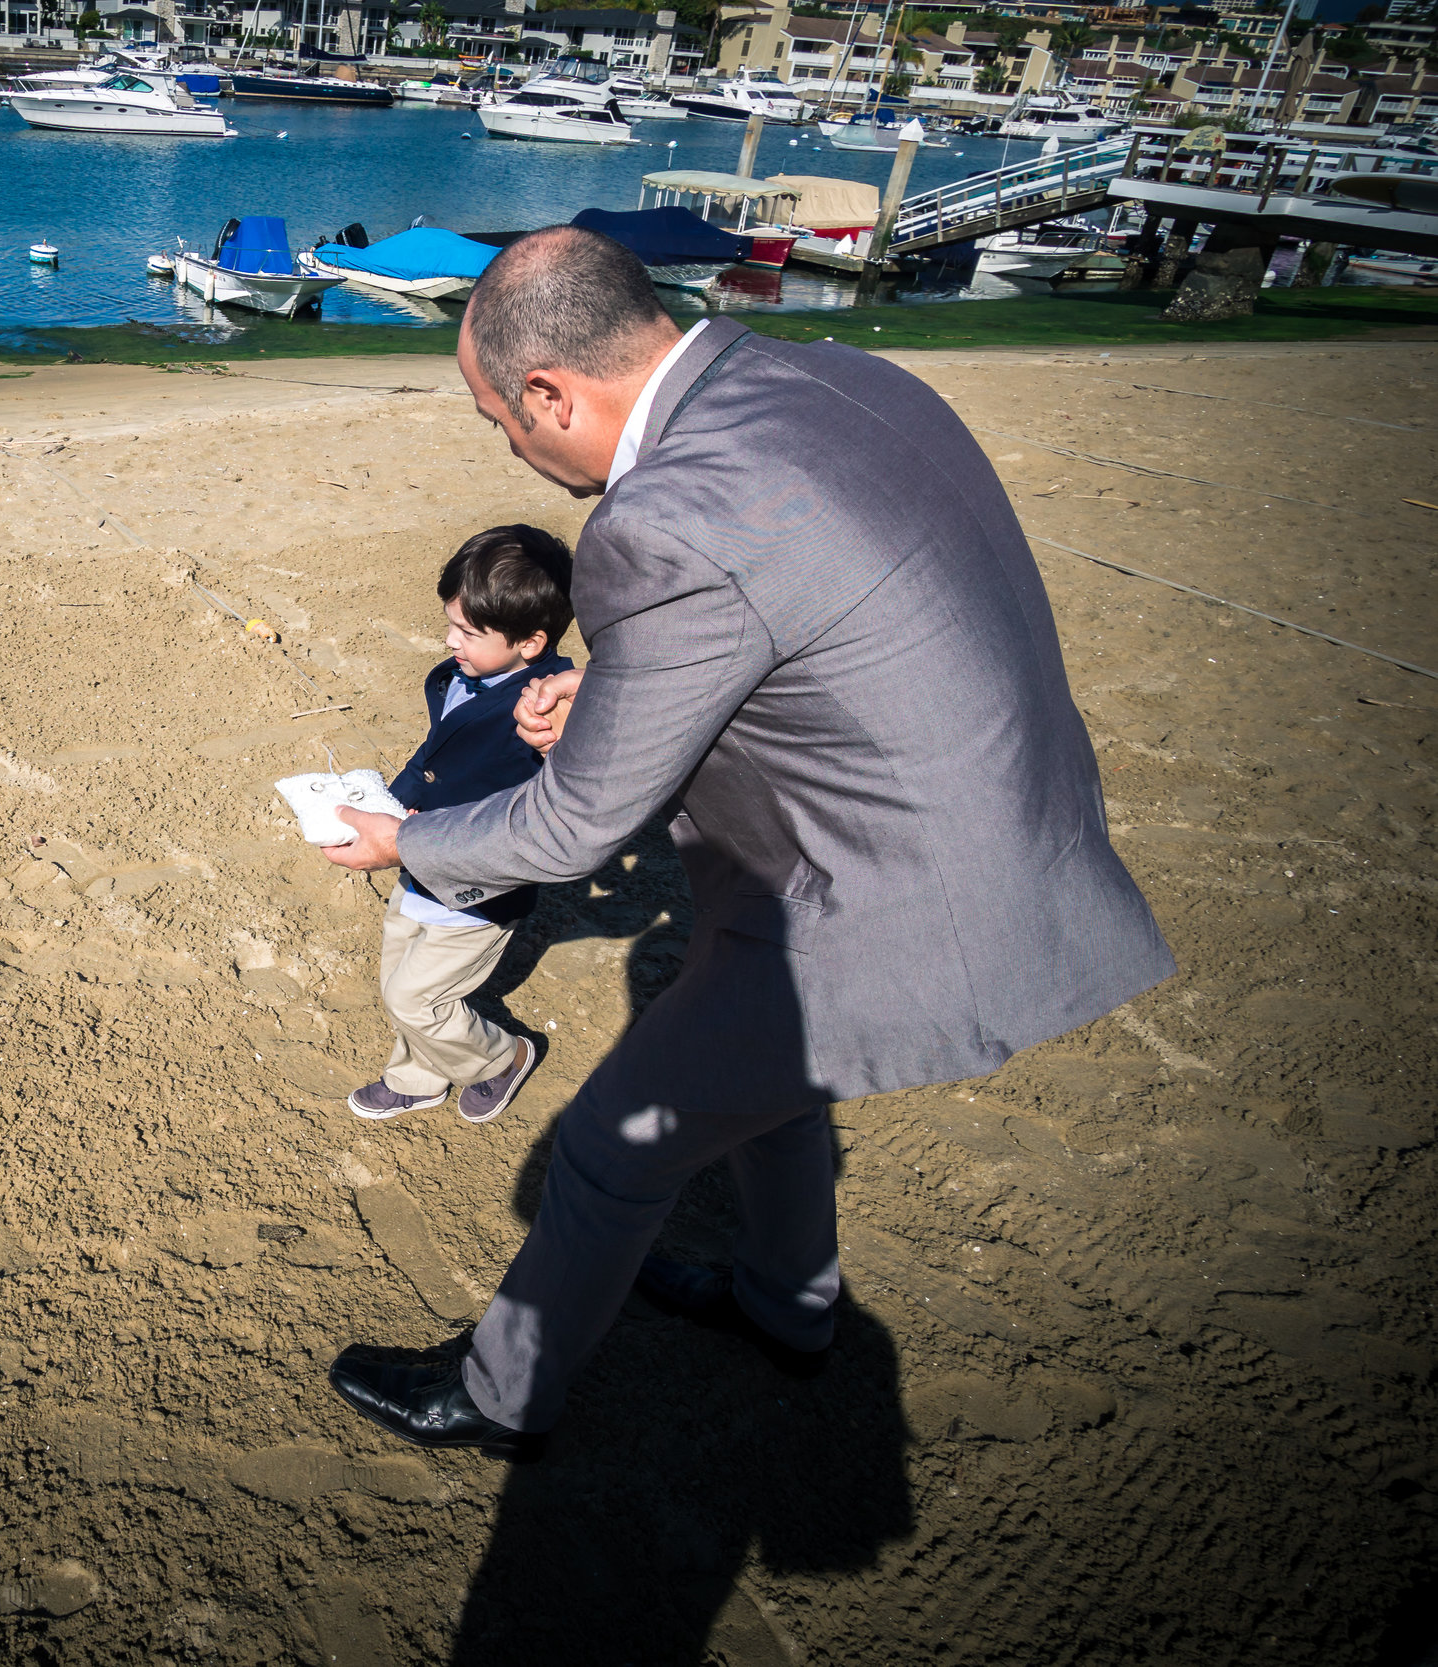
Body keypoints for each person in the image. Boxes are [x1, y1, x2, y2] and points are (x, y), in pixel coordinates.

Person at [317, 227, 1175, 1463]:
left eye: (499, 417)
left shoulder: (659, 519)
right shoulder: (843, 374)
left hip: (883, 885)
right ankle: (786, 1306)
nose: (505, 442)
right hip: (999, 813)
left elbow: (575, 826)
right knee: (772, 1100)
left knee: (612, 1145)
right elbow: (790, 605)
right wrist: (608, 697)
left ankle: (503, 1396)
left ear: (550, 392)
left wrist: (412, 840)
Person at [348, 525, 576, 1126]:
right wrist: (391, 807)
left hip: (480, 883)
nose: (451, 641)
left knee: (415, 997)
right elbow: (434, 756)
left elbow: (560, 792)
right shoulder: (461, 678)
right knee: (397, 974)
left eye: (470, 633)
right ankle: (417, 1078)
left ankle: (502, 1058)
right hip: (420, 857)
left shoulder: (551, 707)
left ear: (532, 642)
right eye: (451, 624)